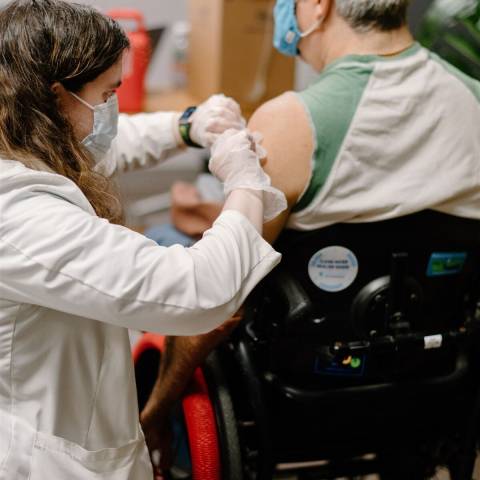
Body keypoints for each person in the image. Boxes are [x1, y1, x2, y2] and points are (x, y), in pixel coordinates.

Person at [139, 0, 480, 468]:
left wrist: (155, 409)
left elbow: (219, 302)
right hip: (433, 373)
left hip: (304, 387)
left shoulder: (291, 121)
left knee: (163, 236)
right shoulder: (473, 98)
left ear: (319, 7)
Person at [0, 1, 288, 479]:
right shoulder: (20, 216)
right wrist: (245, 183)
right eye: (107, 93)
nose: (113, 108)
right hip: (42, 459)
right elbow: (197, 290)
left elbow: (111, 143)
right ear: (55, 97)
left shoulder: (24, 138)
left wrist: (189, 126)